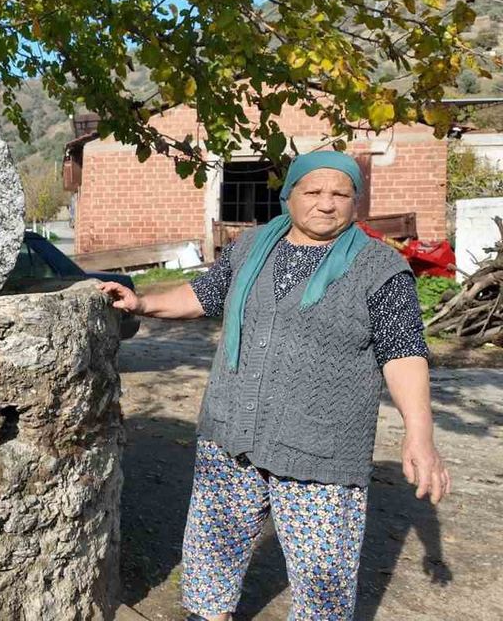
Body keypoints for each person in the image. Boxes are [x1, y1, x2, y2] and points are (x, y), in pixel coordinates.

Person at [99, 151, 450, 621]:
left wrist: (419, 434)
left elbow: (403, 353)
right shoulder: (251, 246)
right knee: (212, 552)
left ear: (356, 202)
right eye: (314, 191)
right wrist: (143, 303)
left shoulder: (379, 268)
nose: (326, 203)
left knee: (322, 579)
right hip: (231, 433)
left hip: (320, 449)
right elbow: (206, 295)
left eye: (341, 194)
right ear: (289, 194)